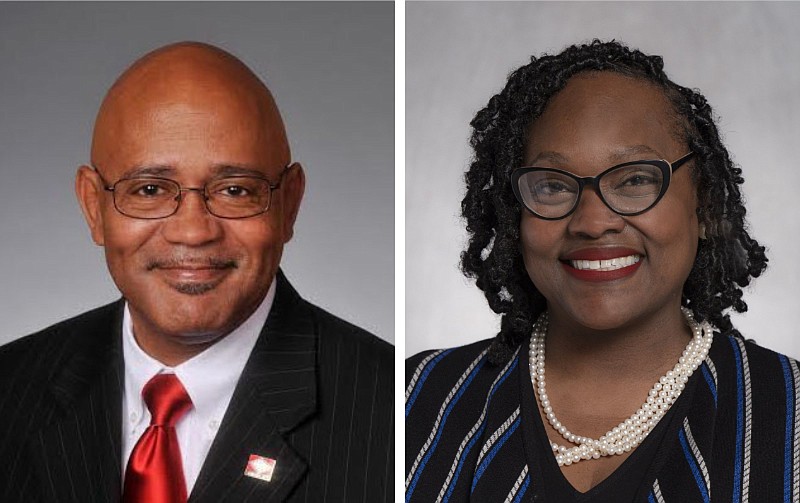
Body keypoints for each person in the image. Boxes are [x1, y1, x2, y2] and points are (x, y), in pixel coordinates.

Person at [406, 40, 797, 502]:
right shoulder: (413, 397)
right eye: (552, 185)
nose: (592, 223)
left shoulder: (789, 412)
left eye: (634, 179)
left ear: (706, 204)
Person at [0, 42, 393, 503]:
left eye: (234, 190)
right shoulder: (11, 390)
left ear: (289, 203)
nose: (192, 232)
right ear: (93, 206)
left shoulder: (390, 416)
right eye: (149, 189)